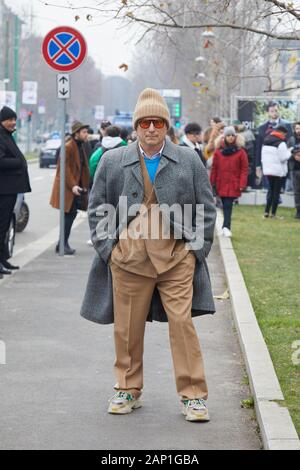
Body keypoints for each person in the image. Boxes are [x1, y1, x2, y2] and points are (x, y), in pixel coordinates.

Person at [81, 88, 216, 422]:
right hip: (128, 261)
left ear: (166, 125)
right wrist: (108, 250)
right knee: (127, 328)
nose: (151, 128)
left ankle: (194, 396)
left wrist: (194, 251)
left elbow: (207, 208)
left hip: (176, 260)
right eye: (145, 123)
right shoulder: (114, 160)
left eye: (157, 122)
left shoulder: (188, 159)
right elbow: (97, 207)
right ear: (137, 126)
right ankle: (127, 389)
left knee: (183, 326)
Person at [50, 121, 90, 255]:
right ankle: (62, 243)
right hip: (68, 188)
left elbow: (83, 167)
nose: (86, 134)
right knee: (69, 214)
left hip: (75, 187)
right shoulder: (68, 147)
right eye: (84, 132)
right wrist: (73, 185)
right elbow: (64, 169)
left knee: (71, 214)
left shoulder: (80, 146)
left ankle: (62, 243)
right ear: (76, 133)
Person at [0, 106, 31, 276]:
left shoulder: (7, 135)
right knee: (1, 226)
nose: (13, 123)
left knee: (4, 227)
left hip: (9, 190)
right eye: (10, 120)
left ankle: (3, 258)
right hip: (3, 190)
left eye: (14, 119)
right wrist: (19, 162)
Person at [210, 126, 248, 237]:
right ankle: (224, 227)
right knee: (222, 205)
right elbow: (214, 168)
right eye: (228, 135)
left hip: (233, 183)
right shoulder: (218, 152)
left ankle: (226, 227)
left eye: (232, 135)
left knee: (228, 205)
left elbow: (244, 169)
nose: (230, 137)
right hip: (220, 183)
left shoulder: (241, 152)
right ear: (224, 137)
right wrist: (211, 183)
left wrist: (242, 183)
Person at [255, 102, 293, 183]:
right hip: (268, 163)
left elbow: (291, 143)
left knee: (279, 189)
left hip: (282, 162)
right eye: (272, 111)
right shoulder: (262, 128)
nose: (275, 113)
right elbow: (259, 148)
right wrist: (258, 165)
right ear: (268, 112)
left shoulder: (287, 125)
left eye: (276, 110)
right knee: (269, 189)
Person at [261, 125, 291, 219]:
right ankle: (273, 214)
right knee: (276, 193)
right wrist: (290, 151)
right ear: (282, 133)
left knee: (270, 191)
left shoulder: (266, 140)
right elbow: (283, 158)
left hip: (268, 170)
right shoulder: (281, 143)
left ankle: (266, 212)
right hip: (278, 171)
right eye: (285, 134)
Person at [290, 144, 300, 219]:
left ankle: (298, 211)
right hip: (296, 171)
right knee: (297, 193)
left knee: (297, 193)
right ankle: (298, 211)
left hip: (295, 171)